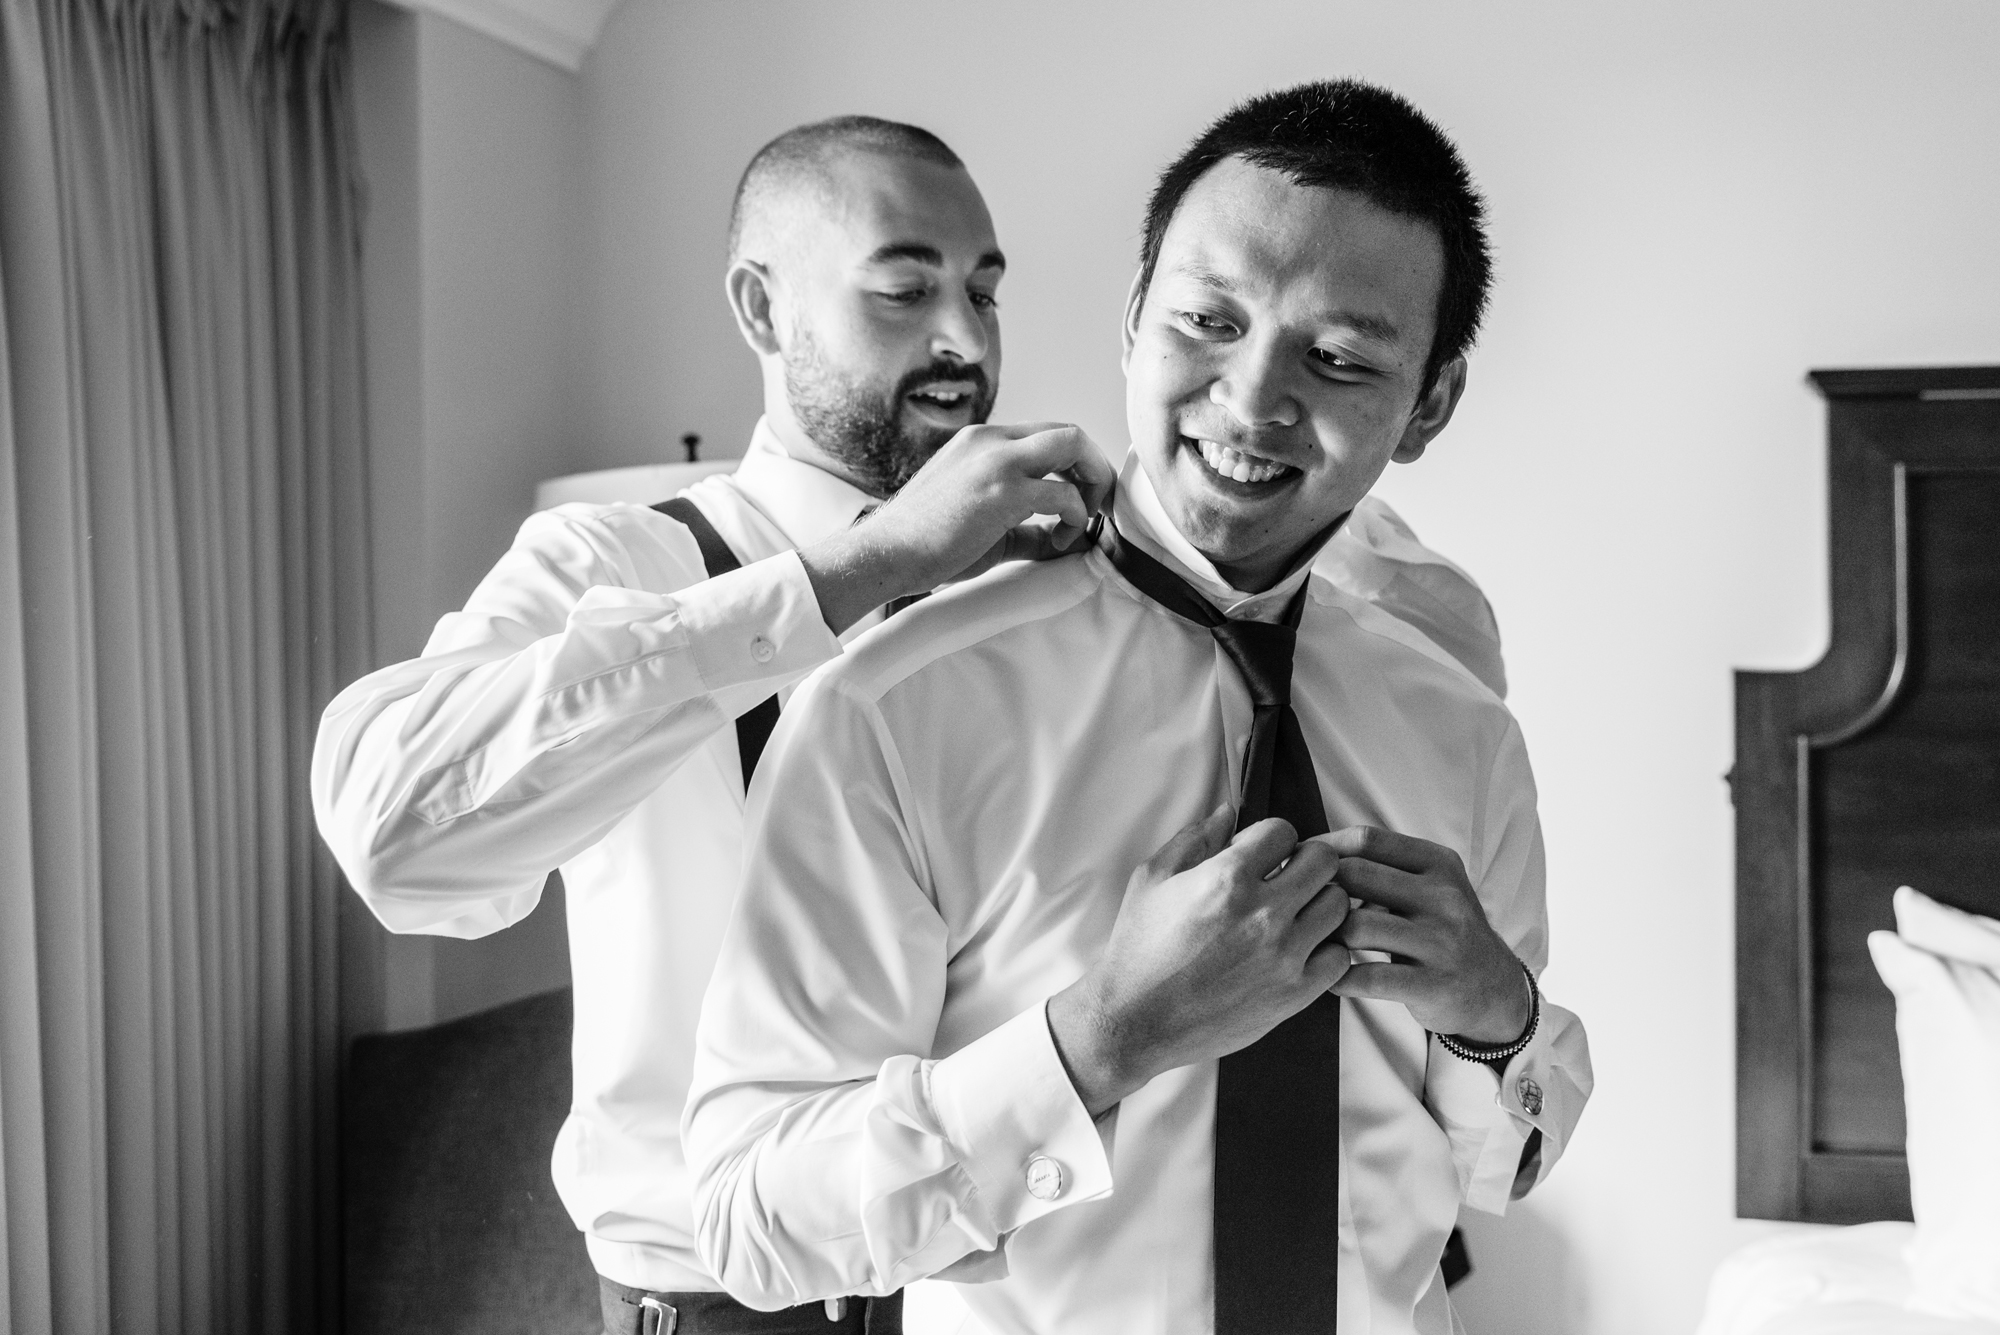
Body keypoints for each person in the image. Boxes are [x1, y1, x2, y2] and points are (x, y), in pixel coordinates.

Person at [683, 80, 1593, 1335]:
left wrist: (1498, 1021)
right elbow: (748, 1221)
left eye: (1338, 359)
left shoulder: (1458, 727)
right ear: (1130, 320)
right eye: (1206, 321)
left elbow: (1499, 1165)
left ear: (1427, 403)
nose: (1251, 398)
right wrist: (1097, 1041)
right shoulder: (895, 707)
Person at [313, 116, 1117, 1335]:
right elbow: (396, 835)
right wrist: (862, 569)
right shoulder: (616, 561)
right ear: (761, 308)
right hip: (716, 1311)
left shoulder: (1031, 587)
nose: (963, 340)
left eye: (982, 291)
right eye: (903, 290)